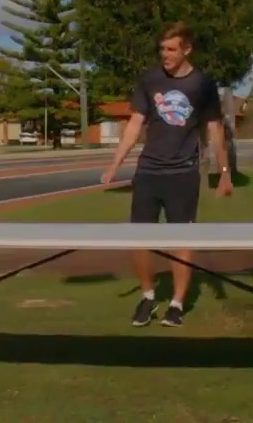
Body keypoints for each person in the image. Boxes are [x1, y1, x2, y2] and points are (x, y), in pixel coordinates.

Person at [100, 22, 231, 328]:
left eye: (172, 49)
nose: (165, 55)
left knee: (181, 240)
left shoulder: (202, 84)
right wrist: (115, 164)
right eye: (162, 49)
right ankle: (148, 296)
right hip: (148, 171)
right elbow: (135, 124)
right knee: (139, 239)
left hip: (183, 174)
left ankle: (176, 303)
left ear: (187, 49)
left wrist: (223, 173)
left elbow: (215, 130)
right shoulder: (151, 79)